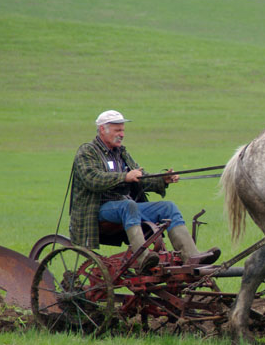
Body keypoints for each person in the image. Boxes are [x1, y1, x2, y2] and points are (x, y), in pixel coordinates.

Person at [69, 109, 219, 267]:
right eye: (117, 130)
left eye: (123, 130)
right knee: (129, 205)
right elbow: (92, 179)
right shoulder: (87, 152)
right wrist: (124, 177)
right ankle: (142, 257)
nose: (122, 134)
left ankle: (191, 256)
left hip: (125, 207)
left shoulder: (121, 153)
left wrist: (163, 179)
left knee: (168, 207)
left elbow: (141, 178)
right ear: (102, 129)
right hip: (96, 211)